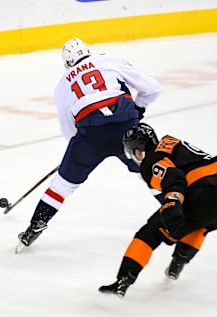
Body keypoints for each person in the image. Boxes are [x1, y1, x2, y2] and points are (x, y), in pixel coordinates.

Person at [17, 37, 161, 248]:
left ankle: (36, 225)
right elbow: (152, 88)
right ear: (88, 52)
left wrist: (78, 152)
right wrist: (136, 113)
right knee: (150, 170)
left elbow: (68, 129)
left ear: (67, 64)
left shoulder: (62, 84)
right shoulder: (109, 60)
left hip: (90, 138)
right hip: (127, 128)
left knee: (62, 185)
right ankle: (179, 208)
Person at [99, 123, 217, 297]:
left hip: (203, 194)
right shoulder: (172, 145)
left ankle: (123, 281)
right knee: (202, 223)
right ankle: (178, 262)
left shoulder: (152, 159)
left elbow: (174, 178)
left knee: (149, 235)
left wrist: (172, 203)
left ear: (138, 149)